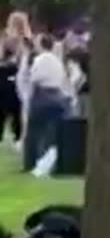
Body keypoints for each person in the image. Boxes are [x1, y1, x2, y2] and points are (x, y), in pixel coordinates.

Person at [23, 35, 72, 174]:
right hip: (57, 96)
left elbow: (34, 80)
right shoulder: (58, 61)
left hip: (42, 96)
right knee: (52, 132)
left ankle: (31, 163)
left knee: (34, 131)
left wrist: (29, 100)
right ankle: (50, 160)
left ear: (41, 45)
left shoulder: (39, 60)